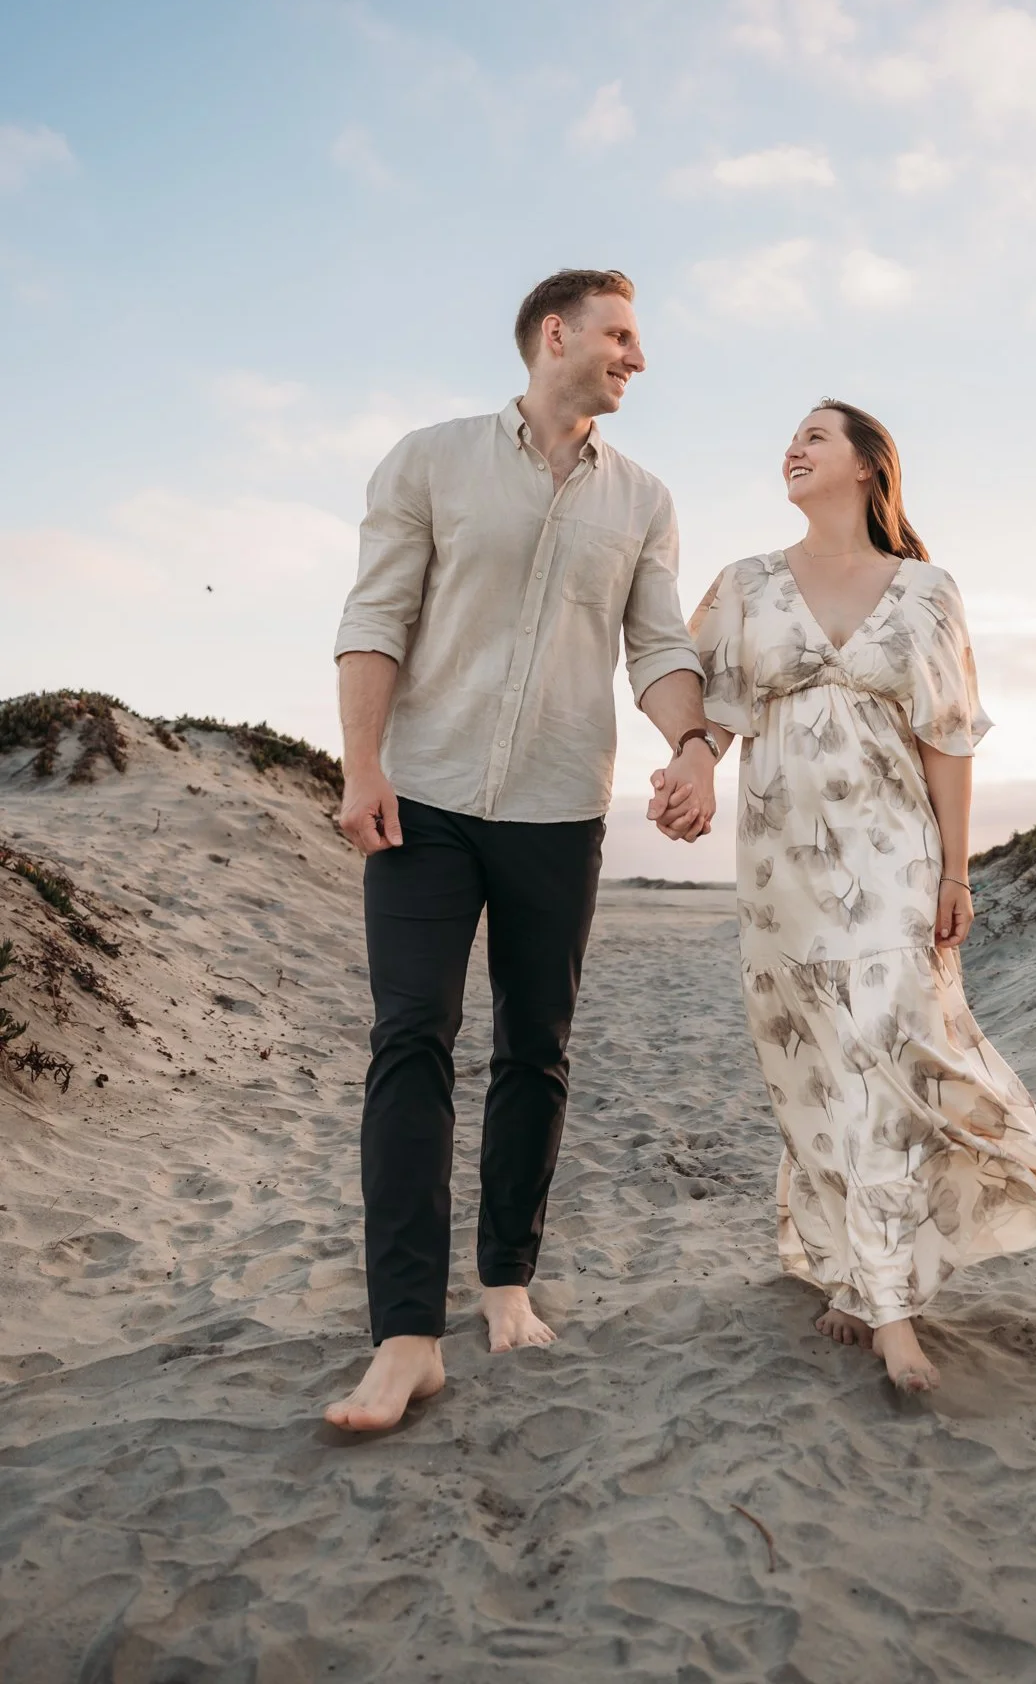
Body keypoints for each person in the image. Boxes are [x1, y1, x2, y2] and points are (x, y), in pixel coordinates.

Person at [649, 400, 1036, 1393]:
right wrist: (692, 764)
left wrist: (956, 870)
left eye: (816, 435)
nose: (793, 446)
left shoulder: (928, 592)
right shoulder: (744, 585)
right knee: (816, 1073)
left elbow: (948, 741)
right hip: (783, 869)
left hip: (891, 868)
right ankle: (849, 1268)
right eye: (789, 435)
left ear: (871, 467)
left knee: (884, 1056)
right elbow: (700, 695)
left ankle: (895, 1308)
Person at [324, 269, 718, 1433]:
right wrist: (359, 764)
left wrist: (692, 743)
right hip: (427, 798)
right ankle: (405, 1337)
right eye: (622, 335)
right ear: (557, 334)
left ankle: (504, 1281)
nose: (637, 357)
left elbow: (655, 646)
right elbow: (374, 617)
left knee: (536, 1051)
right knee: (411, 1041)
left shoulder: (643, 499)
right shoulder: (429, 460)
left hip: (558, 806)